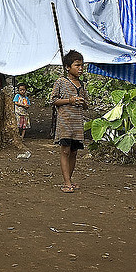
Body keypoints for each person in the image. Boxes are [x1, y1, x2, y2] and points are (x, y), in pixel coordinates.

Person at [50, 50, 89, 193]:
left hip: (77, 123)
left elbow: (87, 104)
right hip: (65, 121)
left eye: (82, 65)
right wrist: (70, 100)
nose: (80, 68)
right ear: (68, 67)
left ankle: (69, 180)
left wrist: (83, 102)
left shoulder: (82, 84)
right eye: (77, 65)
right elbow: (53, 100)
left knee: (74, 152)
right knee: (65, 150)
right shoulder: (61, 82)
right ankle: (66, 182)